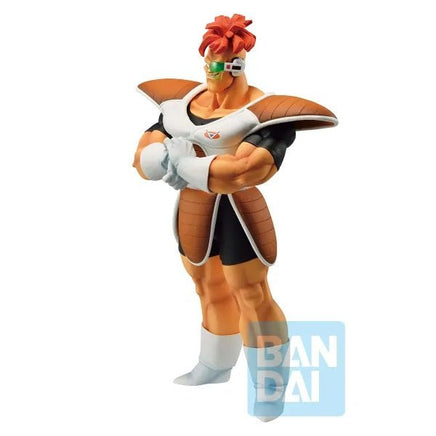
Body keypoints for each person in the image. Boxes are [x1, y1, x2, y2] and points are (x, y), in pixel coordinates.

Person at [133, 14, 337, 421]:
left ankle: (270, 386)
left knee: (251, 293)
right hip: (194, 204)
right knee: (206, 286)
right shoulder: (181, 103)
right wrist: (159, 160)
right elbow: (142, 155)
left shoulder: (265, 112)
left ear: (237, 65)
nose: (210, 72)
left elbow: (247, 170)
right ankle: (215, 364)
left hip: (238, 210)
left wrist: (185, 165)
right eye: (207, 62)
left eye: (219, 64)